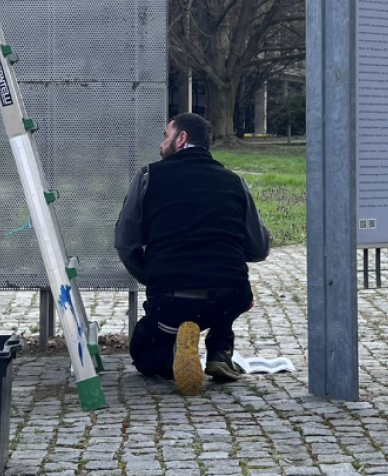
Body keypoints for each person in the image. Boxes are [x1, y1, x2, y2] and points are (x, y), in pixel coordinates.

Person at [115, 112, 271, 395]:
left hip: (171, 299)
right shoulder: (235, 182)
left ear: (181, 138)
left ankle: (172, 355)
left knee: (144, 350)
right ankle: (220, 351)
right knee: (228, 301)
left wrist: (150, 275)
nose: (162, 144)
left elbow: (125, 242)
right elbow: (259, 248)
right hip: (230, 295)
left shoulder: (150, 176)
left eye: (166, 136)